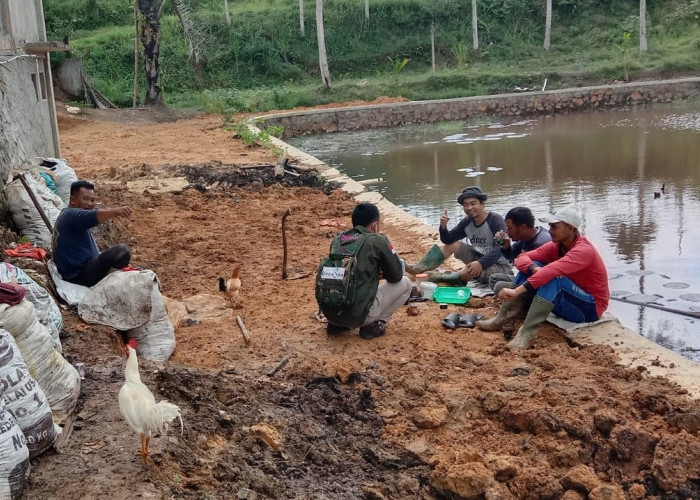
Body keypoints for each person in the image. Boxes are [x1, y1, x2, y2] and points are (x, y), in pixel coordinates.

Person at [493, 206, 609, 349]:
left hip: (591, 308)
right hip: (567, 297)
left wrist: (517, 291)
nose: (550, 231)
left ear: (571, 228)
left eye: (554, 227)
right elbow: (520, 258)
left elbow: (552, 271)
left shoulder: (583, 250)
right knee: (535, 265)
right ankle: (504, 316)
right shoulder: (556, 246)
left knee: (553, 277)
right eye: (550, 226)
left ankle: (527, 333)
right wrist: (533, 268)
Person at [323, 202, 411, 340]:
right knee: (406, 283)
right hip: (357, 316)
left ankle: (338, 325)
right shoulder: (377, 240)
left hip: (331, 314)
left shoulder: (338, 239)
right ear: (375, 225)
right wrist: (380, 273)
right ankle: (374, 325)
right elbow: (396, 276)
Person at [405, 186, 512, 285]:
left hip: (500, 266)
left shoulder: (495, 220)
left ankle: (436, 277)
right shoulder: (467, 222)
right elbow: (448, 240)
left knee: (468, 272)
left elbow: (500, 248)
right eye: (465, 205)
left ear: (482, 203)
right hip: (479, 258)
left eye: (473, 203)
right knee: (452, 245)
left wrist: (481, 263)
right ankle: (419, 268)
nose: (469, 207)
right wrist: (443, 227)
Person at [476, 207, 552, 331]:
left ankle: (509, 313)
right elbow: (510, 256)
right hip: (527, 280)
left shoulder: (541, 243)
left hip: (538, 287)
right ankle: (514, 304)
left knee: (500, 286)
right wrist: (504, 245)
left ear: (522, 227)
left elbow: (541, 277)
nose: (507, 232)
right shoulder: (526, 238)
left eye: (509, 228)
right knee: (495, 278)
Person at [52, 180, 133, 287]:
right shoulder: (72, 215)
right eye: (85, 199)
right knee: (122, 251)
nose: (90, 204)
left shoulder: (67, 215)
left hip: (82, 271)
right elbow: (93, 216)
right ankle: (108, 284)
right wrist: (116, 211)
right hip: (79, 276)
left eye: (93, 200)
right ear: (72, 200)